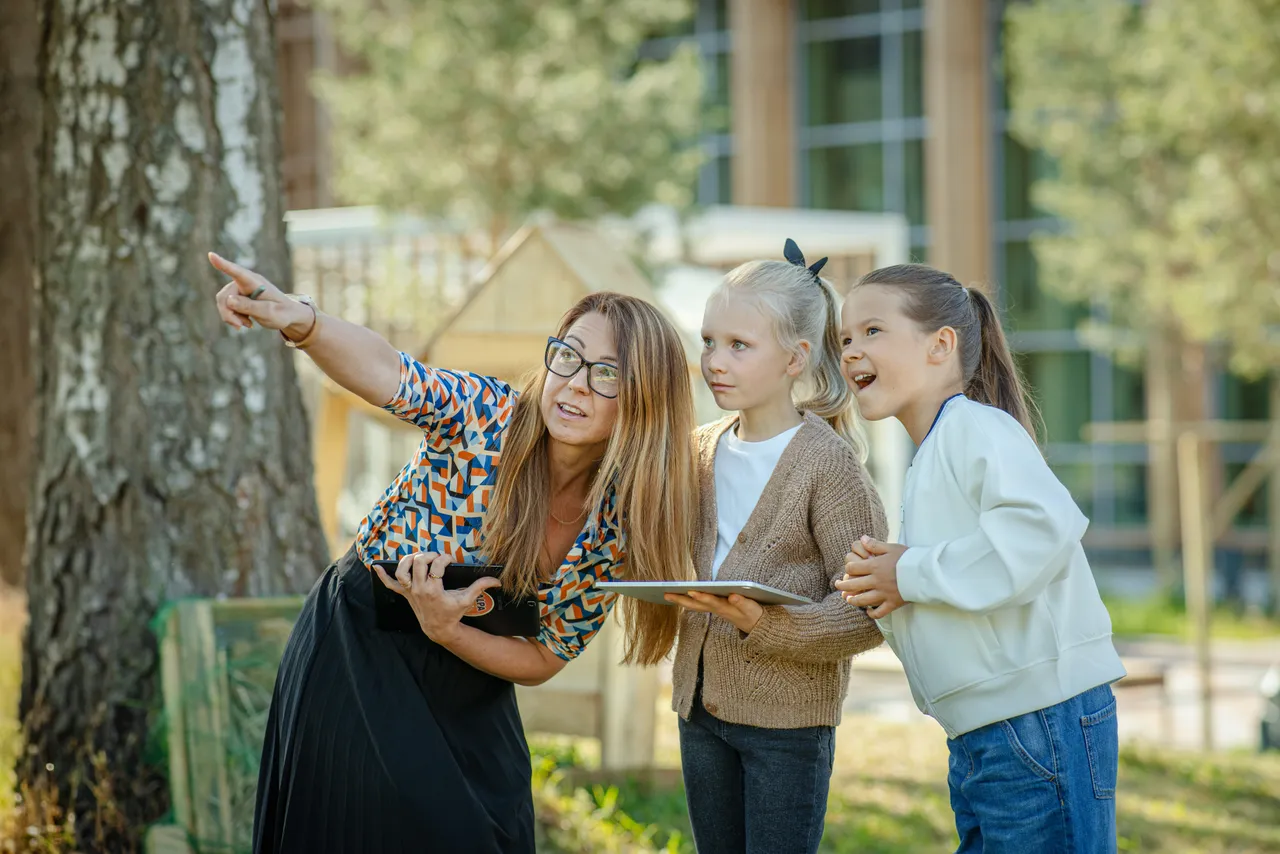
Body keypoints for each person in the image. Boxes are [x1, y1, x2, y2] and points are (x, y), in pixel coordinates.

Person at [208, 252, 697, 854]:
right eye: (567, 356)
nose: (574, 384)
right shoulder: (486, 417)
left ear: (645, 399)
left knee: (496, 833)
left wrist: (449, 633)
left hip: (471, 675)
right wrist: (300, 321)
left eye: (607, 374)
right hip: (362, 649)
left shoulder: (620, 518)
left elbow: (547, 654)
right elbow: (392, 371)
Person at [835, 263, 1126, 854]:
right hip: (983, 736)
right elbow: (961, 592)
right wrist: (891, 592)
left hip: (1039, 722)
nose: (850, 352)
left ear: (941, 345)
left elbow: (1041, 531)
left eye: (871, 332)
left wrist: (909, 572)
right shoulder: (932, 454)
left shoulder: (977, 427)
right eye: (843, 339)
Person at [663, 240, 887, 854]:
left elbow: (869, 613)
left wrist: (764, 624)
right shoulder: (698, 450)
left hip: (788, 725)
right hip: (699, 711)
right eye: (709, 341)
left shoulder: (829, 466)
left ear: (796, 358)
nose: (715, 360)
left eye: (739, 345)